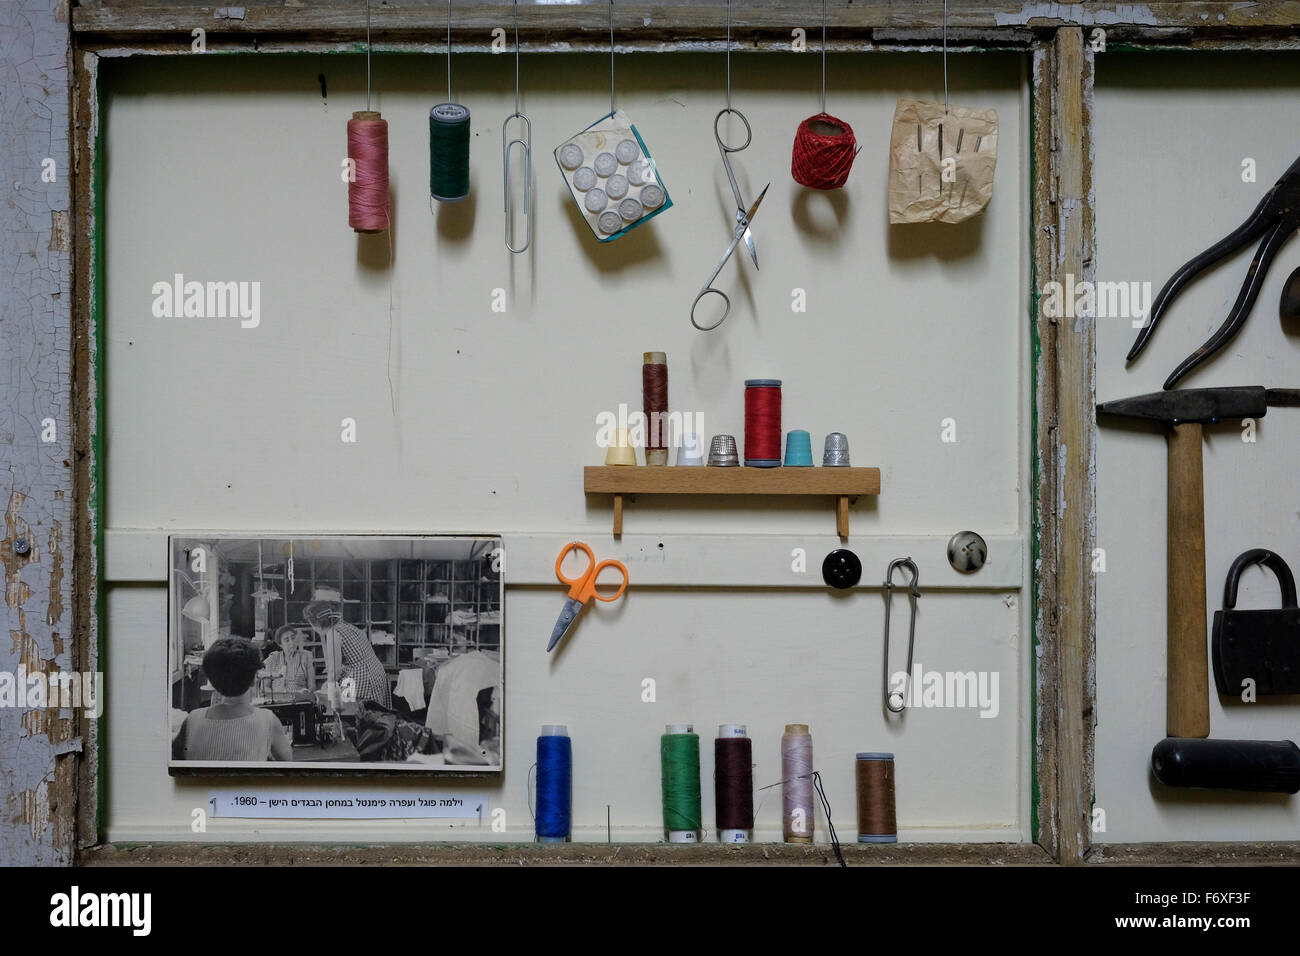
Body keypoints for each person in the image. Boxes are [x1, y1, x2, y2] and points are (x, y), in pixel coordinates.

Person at [172, 637, 292, 761]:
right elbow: (287, 764)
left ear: (212, 681)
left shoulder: (192, 719)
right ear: (253, 680)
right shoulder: (268, 720)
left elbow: (175, 759)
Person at [303, 601, 392, 709]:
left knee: (353, 714)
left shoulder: (332, 633)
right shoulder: (346, 625)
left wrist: (327, 687)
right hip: (376, 672)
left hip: (362, 677)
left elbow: (335, 671)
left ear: (316, 624)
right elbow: (352, 658)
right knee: (375, 715)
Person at [260, 626, 316, 693]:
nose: (292, 642)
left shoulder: (306, 657)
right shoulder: (273, 658)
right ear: (280, 644)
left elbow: (312, 686)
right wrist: (276, 695)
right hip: (277, 701)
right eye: (287, 640)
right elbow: (264, 687)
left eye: (293, 638)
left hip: (299, 700)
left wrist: (307, 692)